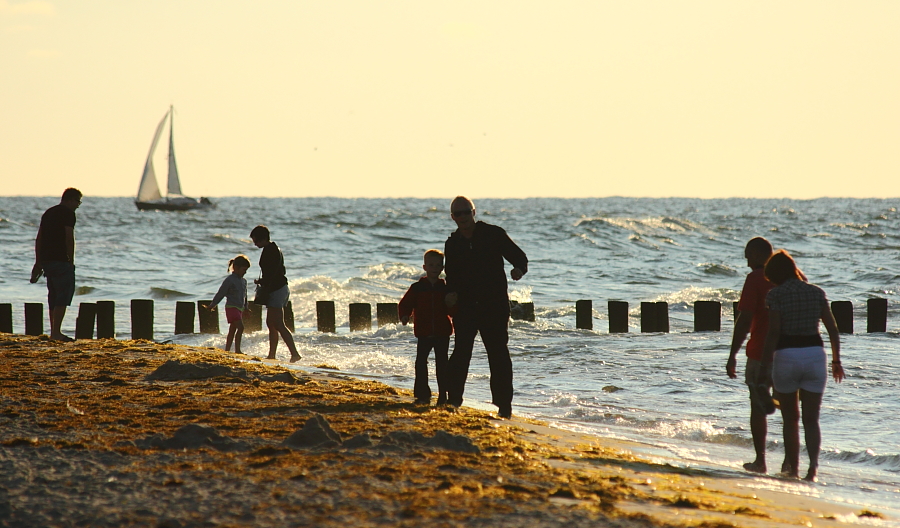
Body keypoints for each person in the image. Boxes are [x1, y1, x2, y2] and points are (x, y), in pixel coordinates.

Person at [763, 249, 844, 482]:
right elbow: (832, 329)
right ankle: (813, 470)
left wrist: (765, 365)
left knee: (790, 419)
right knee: (812, 419)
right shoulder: (817, 293)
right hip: (815, 356)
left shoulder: (775, 295)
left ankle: (793, 469)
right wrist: (836, 361)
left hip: (786, 355)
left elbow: (774, 332)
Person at [443, 196, 528, 418]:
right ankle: (453, 400)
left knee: (498, 355)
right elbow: (450, 276)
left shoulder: (493, 234)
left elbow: (519, 257)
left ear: (474, 212)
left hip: (494, 306)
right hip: (466, 308)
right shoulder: (452, 243)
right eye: (457, 214)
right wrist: (449, 296)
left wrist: (518, 269)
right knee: (461, 353)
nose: (462, 217)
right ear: (452, 217)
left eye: (465, 212)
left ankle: (504, 406)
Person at [726, 237, 779, 473]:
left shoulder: (755, 278)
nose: (746, 261)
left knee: (758, 406)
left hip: (759, 351)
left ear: (759, 255)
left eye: (748, 255)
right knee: (789, 409)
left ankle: (761, 461)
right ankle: (791, 463)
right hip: (789, 352)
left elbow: (745, 319)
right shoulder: (795, 277)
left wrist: (732, 354)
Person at [399, 249, 454, 405]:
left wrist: (452, 304)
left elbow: (453, 310)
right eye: (431, 265)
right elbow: (405, 304)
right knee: (420, 362)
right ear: (424, 267)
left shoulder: (445, 289)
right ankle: (422, 393)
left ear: (442, 268)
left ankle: (444, 394)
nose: (434, 268)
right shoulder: (417, 287)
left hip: (442, 332)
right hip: (423, 332)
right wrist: (404, 315)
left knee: (442, 364)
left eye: (438, 265)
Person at [30, 188, 82, 342]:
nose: (78, 205)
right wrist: (71, 261)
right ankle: (56, 332)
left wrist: (38, 261)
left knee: (53, 295)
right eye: (78, 201)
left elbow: (39, 238)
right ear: (70, 200)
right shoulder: (68, 214)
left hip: (47, 260)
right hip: (60, 260)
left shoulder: (49, 213)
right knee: (63, 295)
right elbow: (68, 238)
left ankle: (54, 331)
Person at [249, 225, 301, 363]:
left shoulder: (270, 251)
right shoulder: (272, 248)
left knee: (278, 323)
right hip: (278, 288)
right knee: (271, 323)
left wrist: (262, 281)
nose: (254, 243)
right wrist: (262, 281)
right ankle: (272, 355)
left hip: (277, 290)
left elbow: (273, 273)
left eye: (256, 240)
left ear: (263, 238)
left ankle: (295, 354)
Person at [205, 254, 251, 354]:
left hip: (239, 309)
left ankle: (227, 350)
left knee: (232, 330)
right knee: (241, 327)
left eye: (246, 270)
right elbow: (221, 293)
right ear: (236, 268)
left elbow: (245, 296)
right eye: (244, 269)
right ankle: (237, 350)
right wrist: (213, 304)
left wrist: (246, 308)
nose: (245, 272)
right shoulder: (229, 280)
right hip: (231, 308)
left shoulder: (244, 281)